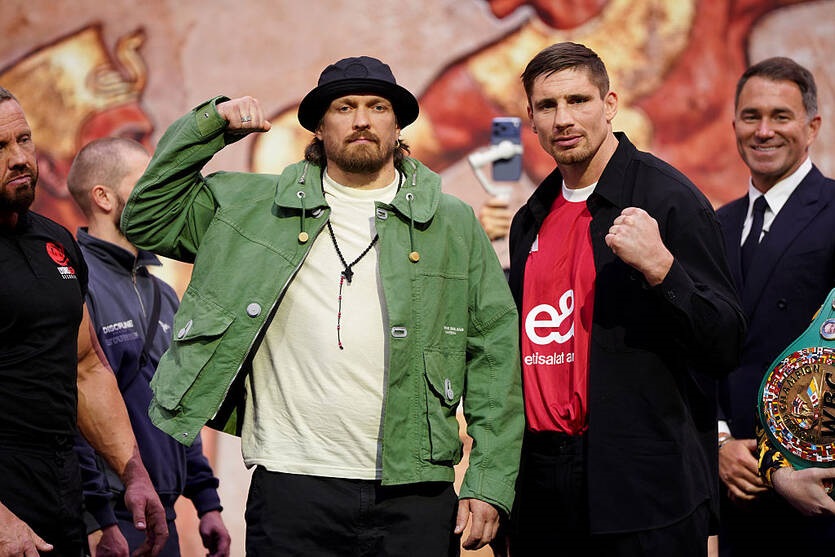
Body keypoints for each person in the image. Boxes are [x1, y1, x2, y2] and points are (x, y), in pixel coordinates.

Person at [120, 56, 524, 555]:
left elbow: (494, 354)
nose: (362, 120)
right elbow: (146, 217)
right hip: (292, 483)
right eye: (344, 107)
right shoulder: (254, 207)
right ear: (318, 126)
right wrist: (210, 126)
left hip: (414, 487)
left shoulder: (451, 221)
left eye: (377, 107)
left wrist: (488, 481)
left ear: (398, 125)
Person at [505, 42, 746, 556]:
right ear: (531, 118)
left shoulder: (669, 198)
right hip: (544, 487)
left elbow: (726, 342)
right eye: (547, 106)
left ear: (609, 104)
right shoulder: (531, 216)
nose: (563, 119)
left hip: (644, 490)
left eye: (578, 100)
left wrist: (663, 270)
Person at [0, 88, 167, 555]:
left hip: (59, 489)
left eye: (24, 140)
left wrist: (132, 473)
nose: (19, 158)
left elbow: (86, 366)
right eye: (0, 146)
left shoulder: (55, 242)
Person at [66, 137, 231, 557]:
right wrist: (97, 518)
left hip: (163, 514)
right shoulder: (74, 284)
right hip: (110, 518)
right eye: (146, 181)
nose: (159, 191)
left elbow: (177, 404)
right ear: (103, 197)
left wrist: (207, 502)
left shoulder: (163, 292)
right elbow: (71, 405)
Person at [716, 56, 835, 555]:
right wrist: (719, 443)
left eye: (780, 116)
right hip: (734, 489)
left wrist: (781, 465)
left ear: (812, 127)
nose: (763, 131)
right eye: (751, 116)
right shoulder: (716, 226)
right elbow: (697, 350)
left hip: (816, 487)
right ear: (735, 125)